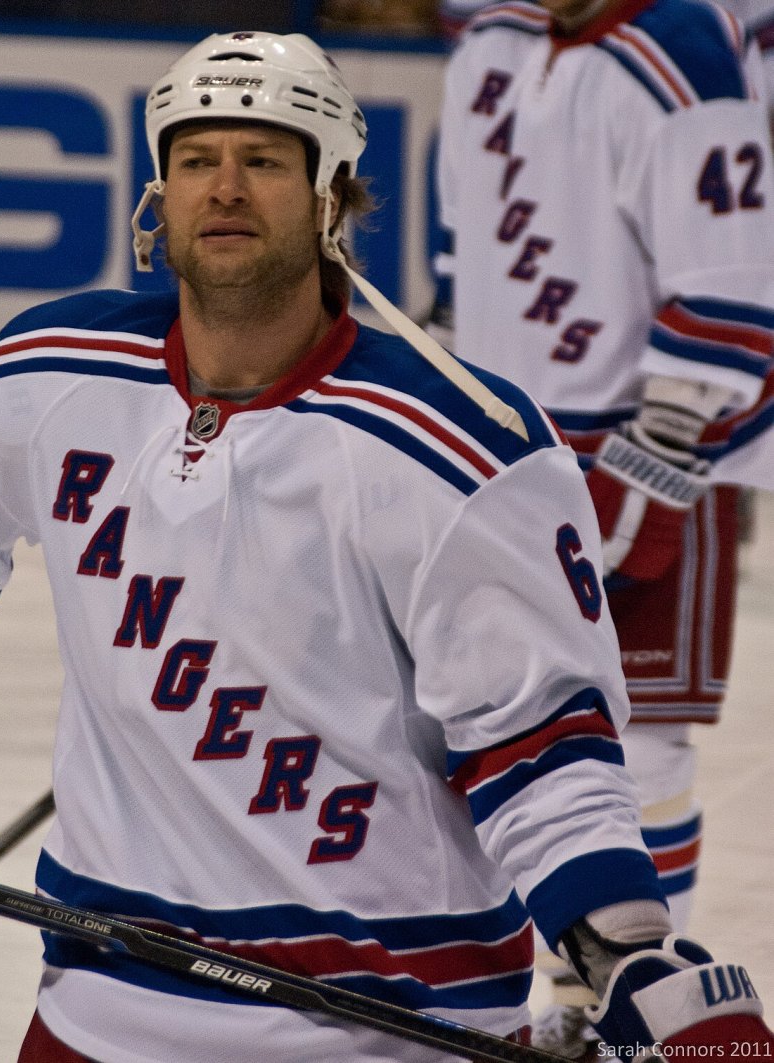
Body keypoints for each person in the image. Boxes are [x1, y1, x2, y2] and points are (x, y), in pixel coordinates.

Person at [0, 30, 771, 1063]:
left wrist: (631, 955)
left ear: (331, 197)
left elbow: (542, 747)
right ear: (157, 193)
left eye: (263, 159)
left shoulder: (463, 453)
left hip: (386, 1030)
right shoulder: (52, 371)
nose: (224, 188)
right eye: (196, 159)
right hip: (97, 1013)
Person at [433, 0, 774, 1055]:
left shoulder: (682, 49)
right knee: (481, 723)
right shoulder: (488, 39)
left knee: (641, 744)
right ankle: (501, 981)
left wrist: (655, 461)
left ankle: (624, 1002)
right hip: (499, 453)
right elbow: (461, 250)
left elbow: (734, 287)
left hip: (653, 458)